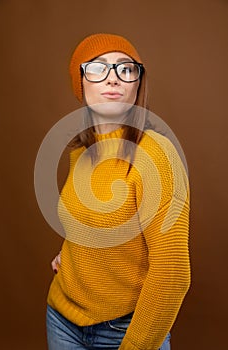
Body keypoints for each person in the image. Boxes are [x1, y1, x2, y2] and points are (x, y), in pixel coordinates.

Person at [46, 33, 190, 350]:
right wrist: (73, 253)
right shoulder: (83, 152)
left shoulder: (156, 155)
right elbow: (91, 218)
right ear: (80, 83)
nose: (114, 79)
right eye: (98, 68)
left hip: (123, 330)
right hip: (61, 319)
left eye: (126, 69)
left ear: (137, 84)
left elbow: (173, 274)